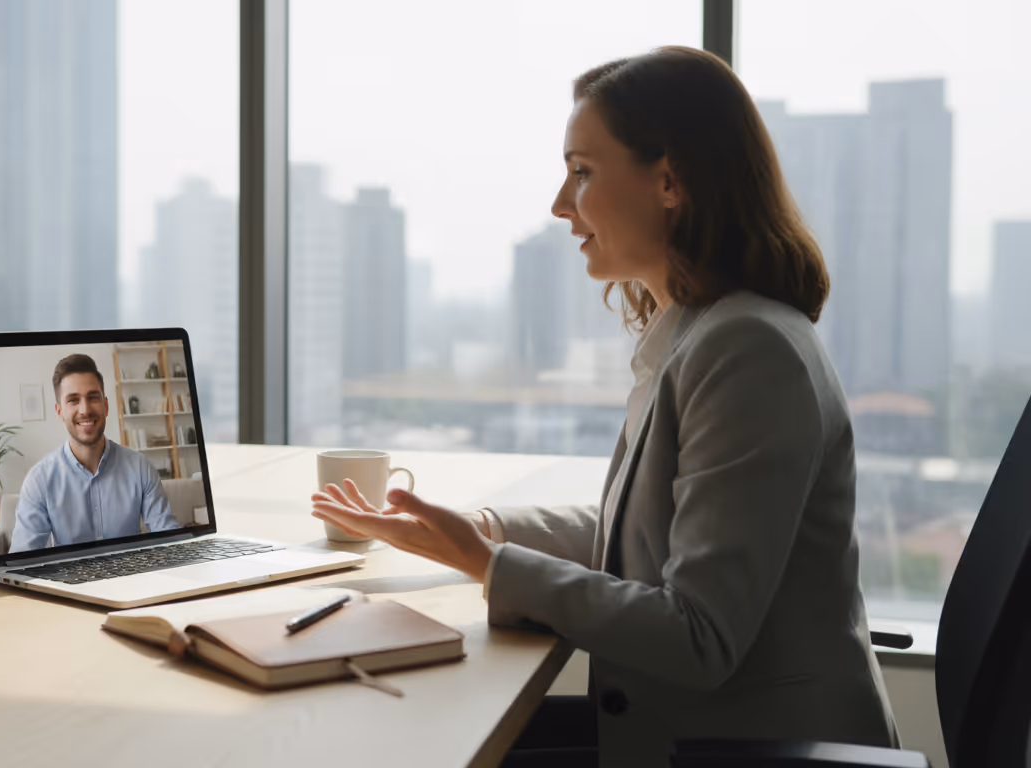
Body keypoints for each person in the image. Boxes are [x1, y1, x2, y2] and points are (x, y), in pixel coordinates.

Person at [311, 46, 898, 768]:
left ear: (671, 180)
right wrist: (483, 530)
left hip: (751, 750)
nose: (561, 204)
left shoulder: (748, 351)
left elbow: (698, 636)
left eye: (582, 172)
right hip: (697, 732)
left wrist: (491, 564)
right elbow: (653, 528)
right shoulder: (699, 331)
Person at [10, 353, 178, 553]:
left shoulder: (140, 467)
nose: (85, 410)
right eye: (73, 400)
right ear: (59, 413)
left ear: (106, 406)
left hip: (133, 580)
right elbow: (22, 560)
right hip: (70, 582)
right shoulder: (39, 480)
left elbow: (170, 540)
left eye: (93, 398)